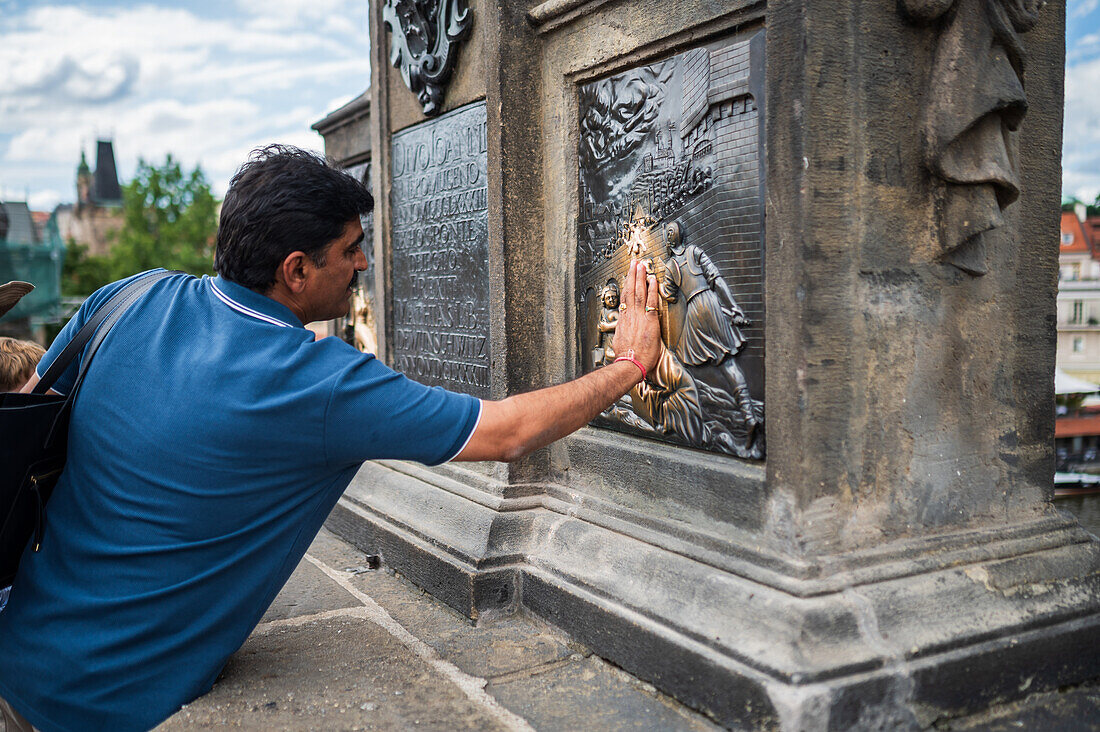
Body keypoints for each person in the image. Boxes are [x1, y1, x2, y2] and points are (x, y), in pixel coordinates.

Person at [0, 145, 662, 732]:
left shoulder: (127, 296)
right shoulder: (317, 383)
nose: (364, 263)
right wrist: (628, 366)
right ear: (295, 271)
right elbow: (510, 432)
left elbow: (33, 413)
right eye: (350, 250)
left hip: (17, 654)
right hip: (105, 708)